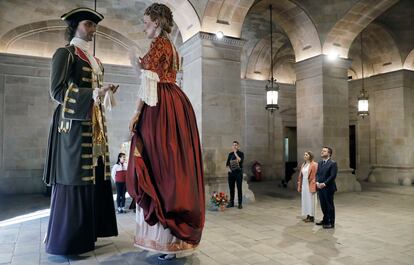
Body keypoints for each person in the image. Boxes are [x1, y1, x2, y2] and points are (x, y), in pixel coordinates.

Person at [126, 3, 205, 261]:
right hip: (176, 103)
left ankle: (168, 237)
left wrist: (136, 113)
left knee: (160, 167)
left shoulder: (159, 44)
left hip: (160, 105)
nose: (144, 26)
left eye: (147, 21)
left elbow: (149, 80)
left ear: (158, 23)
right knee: (173, 166)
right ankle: (173, 238)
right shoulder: (171, 46)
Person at [42, 7, 119, 255]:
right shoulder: (65, 53)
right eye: (89, 25)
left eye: (94, 26)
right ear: (75, 26)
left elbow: (94, 95)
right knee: (76, 176)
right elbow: (57, 91)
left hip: (94, 124)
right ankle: (69, 241)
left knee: (95, 174)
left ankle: (90, 234)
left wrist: (103, 92)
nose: (93, 30)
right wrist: (93, 93)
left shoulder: (95, 60)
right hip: (72, 127)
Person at [315, 146, 338, 229]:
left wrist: (324, 183)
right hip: (320, 187)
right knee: (323, 205)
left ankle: (331, 222)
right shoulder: (319, 163)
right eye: (322, 151)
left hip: (328, 187)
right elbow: (317, 174)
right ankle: (325, 220)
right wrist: (317, 182)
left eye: (324, 151)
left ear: (329, 153)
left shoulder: (333, 163)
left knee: (329, 205)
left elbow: (332, 176)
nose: (322, 152)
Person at [297, 151, 318, 222]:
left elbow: (315, 175)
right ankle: (307, 215)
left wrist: (314, 183)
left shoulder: (314, 164)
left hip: (310, 184)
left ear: (310, 156)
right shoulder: (303, 164)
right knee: (305, 200)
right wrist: (299, 184)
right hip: (304, 184)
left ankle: (312, 216)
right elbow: (301, 175)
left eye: (306, 155)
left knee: (311, 200)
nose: (305, 156)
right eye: (304, 154)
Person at [226, 141, 244, 209]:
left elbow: (239, 160)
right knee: (231, 188)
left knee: (239, 188)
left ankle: (240, 203)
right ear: (232, 146)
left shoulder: (241, 153)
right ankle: (231, 203)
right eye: (233, 145)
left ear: (238, 146)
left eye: (236, 145)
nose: (234, 146)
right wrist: (229, 169)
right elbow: (227, 164)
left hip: (238, 173)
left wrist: (235, 153)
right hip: (231, 174)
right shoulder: (230, 154)